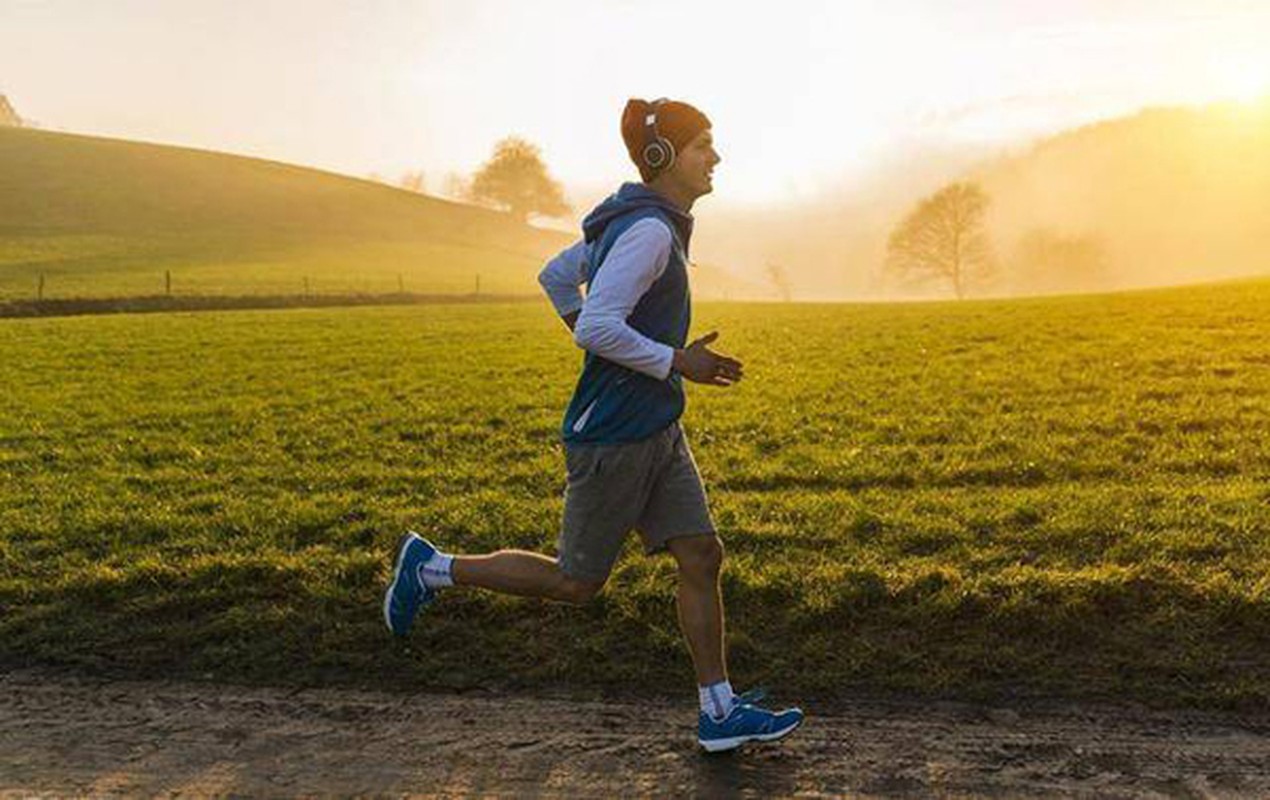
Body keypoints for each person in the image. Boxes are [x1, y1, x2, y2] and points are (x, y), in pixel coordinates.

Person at [383, 98, 804, 752]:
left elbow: (556, 278)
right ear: (663, 158)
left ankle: (719, 712)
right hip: (615, 436)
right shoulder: (648, 232)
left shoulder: (635, 221)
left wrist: (616, 342)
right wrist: (675, 360)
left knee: (701, 554)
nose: (715, 157)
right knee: (576, 581)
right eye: (703, 146)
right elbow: (602, 326)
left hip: (656, 426)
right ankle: (432, 569)